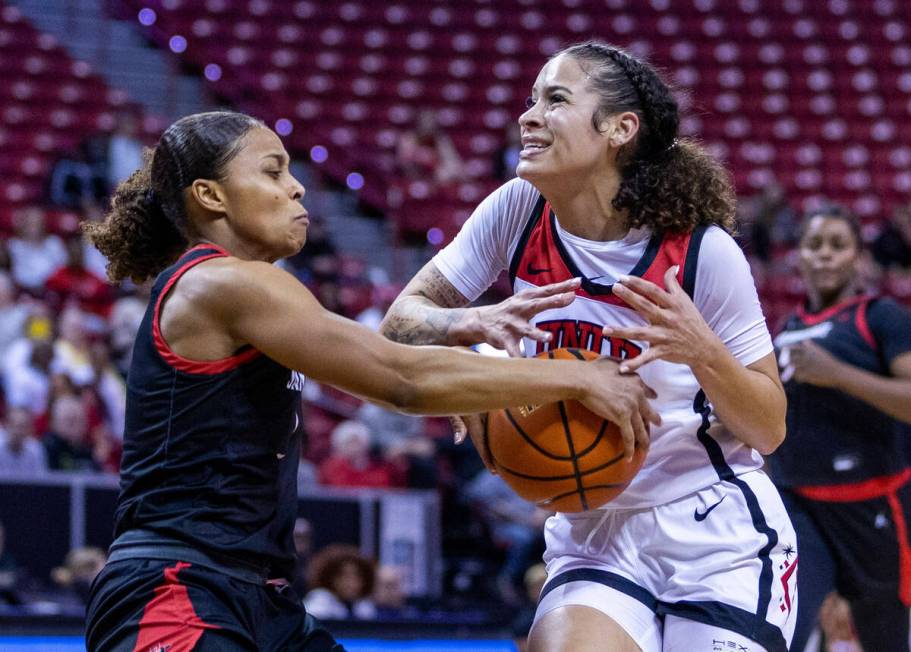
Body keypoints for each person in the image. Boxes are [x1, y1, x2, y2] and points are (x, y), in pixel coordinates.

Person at [81, 110, 657, 652]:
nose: (298, 187)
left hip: (259, 596)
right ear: (210, 196)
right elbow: (398, 378)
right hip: (177, 587)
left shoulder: (248, 289)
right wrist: (574, 381)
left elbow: (400, 371)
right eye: (272, 171)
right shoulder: (222, 283)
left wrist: (466, 343)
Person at [381, 42, 795, 652]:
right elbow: (401, 322)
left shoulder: (703, 252)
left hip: (714, 528)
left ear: (620, 129)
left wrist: (703, 351)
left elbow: (769, 430)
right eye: (530, 100)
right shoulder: (517, 211)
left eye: (555, 100)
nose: (527, 116)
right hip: (592, 525)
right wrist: (470, 330)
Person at [767, 206, 911, 651]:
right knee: (782, 628)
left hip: (873, 508)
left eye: (837, 244)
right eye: (814, 245)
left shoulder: (881, 316)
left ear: (859, 259)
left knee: (885, 640)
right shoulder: (786, 328)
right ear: (799, 258)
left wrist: (837, 373)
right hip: (800, 507)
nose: (824, 255)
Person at [303, 545, 377, 621]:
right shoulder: (319, 601)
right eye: (344, 576)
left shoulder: (364, 606)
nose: (351, 582)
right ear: (330, 578)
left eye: (357, 576)